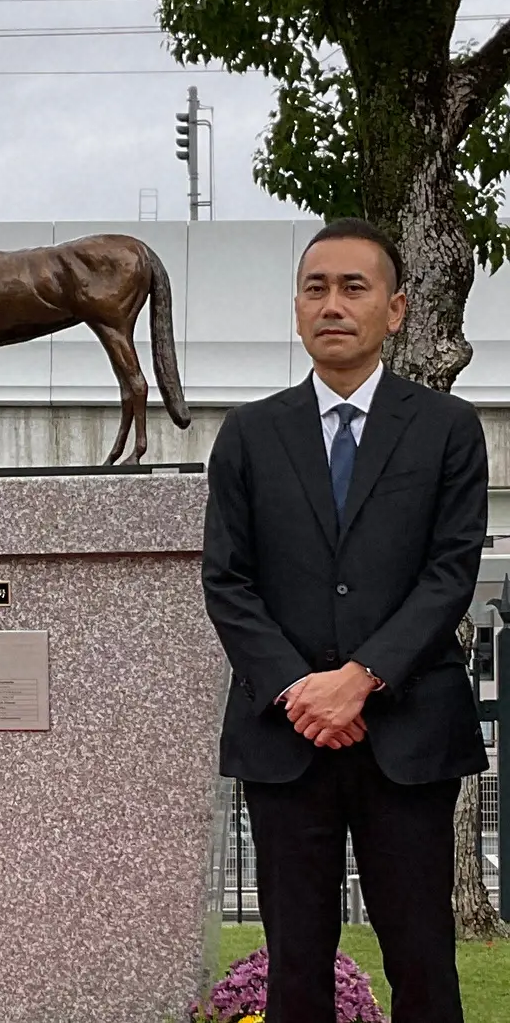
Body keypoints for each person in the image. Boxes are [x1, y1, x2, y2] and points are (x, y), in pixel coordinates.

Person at [201, 218, 488, 1023]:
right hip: (287, 740)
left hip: (410, 736)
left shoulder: (446, 431)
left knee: (423, 960)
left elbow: (449, 575)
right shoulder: (249, 437)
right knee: (297, 964)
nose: (333, 304)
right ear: (297, 309)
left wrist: (359, 681)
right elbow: (228, 581)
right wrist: (302, 690)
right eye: (316, 288)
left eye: (354, 287)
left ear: (394, 310)